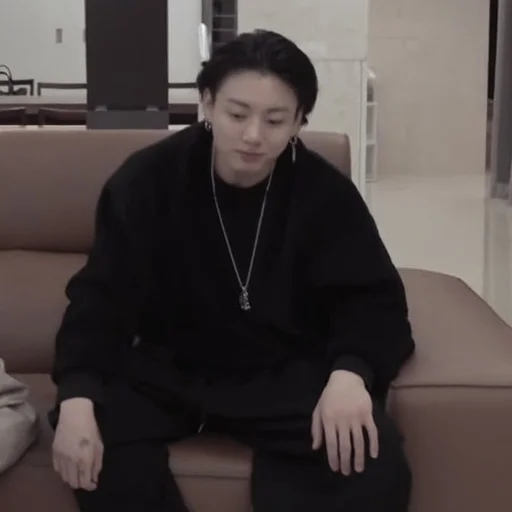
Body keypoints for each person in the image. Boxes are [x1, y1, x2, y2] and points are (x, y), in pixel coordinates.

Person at [48, 29, 415, 512]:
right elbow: (100, 297)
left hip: (283, 374)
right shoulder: (148, 180)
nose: (253, 135)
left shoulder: (326, 195)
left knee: (369, 452)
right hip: (168, 372)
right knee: (91, 429)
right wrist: (76, 397)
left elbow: (373, 300)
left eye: (275, 119)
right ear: (206, 104)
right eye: (237, 114)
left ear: (300, 122)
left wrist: (350, 374)